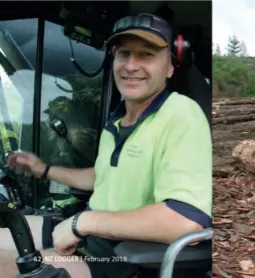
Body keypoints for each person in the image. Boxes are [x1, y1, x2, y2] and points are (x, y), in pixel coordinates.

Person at [0, 13, 212, 277]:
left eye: (146, 55)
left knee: (8, 268)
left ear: (169, 67)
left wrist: (82, 223)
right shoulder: (117, 122)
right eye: (123, 54)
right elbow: (103, 177)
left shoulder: (182, 113)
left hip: (122, 255)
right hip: (90, 233)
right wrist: (42, 169)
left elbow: (186, 220)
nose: (131, 66)